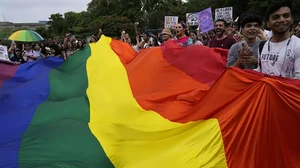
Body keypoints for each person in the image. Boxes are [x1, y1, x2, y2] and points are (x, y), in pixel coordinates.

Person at [256, 0, 300, 79]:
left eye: (286, 16)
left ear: (292, 19)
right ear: (268, 23)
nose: (282, 20)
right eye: (276, 17)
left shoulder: (298, 45)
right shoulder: (262, 46)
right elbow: (261, 70)